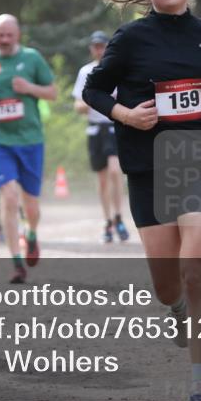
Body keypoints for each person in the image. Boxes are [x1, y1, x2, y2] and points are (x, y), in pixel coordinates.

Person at [83, 0, 201, 401]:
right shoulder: (131, 38)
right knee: (166, 284)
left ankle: (199, 398)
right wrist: (125, 114)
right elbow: (94, 89)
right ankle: (176, 307)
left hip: (200, 164)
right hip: (149, 167)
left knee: (196, 272)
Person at [0, 14, 56, 284]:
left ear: (18, 34)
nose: (5, 40)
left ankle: (31, 234)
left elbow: (52, 92)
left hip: (30, 140)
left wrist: (29, 88)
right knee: (8, 196)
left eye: (9, 34)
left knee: (31, 205)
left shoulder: (32, 58)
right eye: (0, 35)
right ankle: (16, 262)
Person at [72, 30, 129, 243]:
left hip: (114, 127)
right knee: (103, 179)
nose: (99, 50)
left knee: (116, 171)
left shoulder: (117, 69)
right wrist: (91, 102)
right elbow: (78, 104)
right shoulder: (85, 72)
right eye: (95, 46)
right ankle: (108, 221)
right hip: (95, 129)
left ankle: (119, 215)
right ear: (91, 49)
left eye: (102, 46)